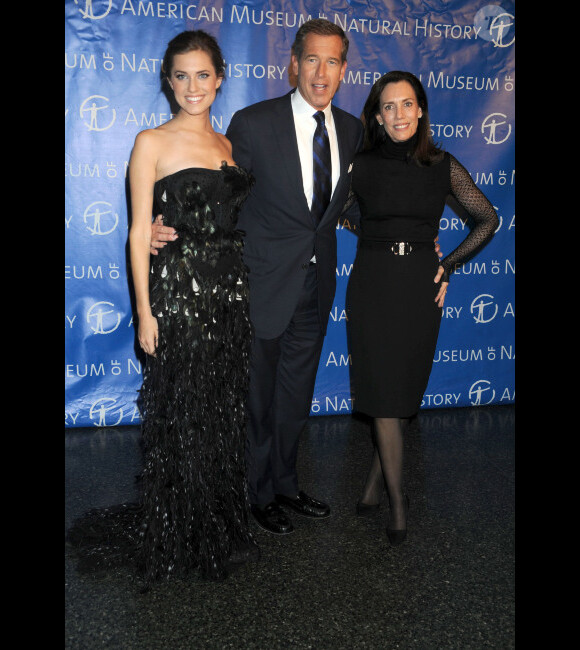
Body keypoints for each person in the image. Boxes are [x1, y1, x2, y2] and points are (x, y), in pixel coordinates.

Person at [151, 19, 365, 535]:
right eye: (311, 59)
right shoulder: (253, 123)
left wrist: (416, 233)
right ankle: (256, 492)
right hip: (261, 283)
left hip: (317, 286)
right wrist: (166, 224)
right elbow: (221, 196)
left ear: (343, 69)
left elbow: (347, 208)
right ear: (293, 63)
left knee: (296, 394)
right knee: (258, 396)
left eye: (332, 61)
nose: (321, 72)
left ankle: (287, 483)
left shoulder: (354, 131)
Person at [68, 30, 258, 585]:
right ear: (168, 80)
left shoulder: (227, 145)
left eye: (203, 75)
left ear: (219, 79)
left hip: (229, 296)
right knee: (183, 416)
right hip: (178, 295)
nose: (192, 86)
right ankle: (179, 529)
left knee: (220, 414)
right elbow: (135, 234)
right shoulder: (150, 141)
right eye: (181, 75)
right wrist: (145, 314)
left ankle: (215, 524)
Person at [346, 71, 499, 545]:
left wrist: (448, 264)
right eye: (388, 107)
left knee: (396, 393)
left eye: (407, 104)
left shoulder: (442, 165)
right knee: (381, 391)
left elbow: (487, 218)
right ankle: (396, 501)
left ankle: (378, 485)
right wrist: (374, 233)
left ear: (421, 110)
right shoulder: (361, 164)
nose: (399, 115)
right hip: (372, 283)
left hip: (418, 287)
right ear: (377, 115)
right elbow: (341, 211)